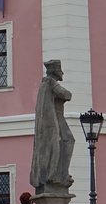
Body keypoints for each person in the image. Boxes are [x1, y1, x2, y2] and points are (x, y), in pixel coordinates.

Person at [30, 60, 75, 194]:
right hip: (55, 119)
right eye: (60, 70)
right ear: (55, 71)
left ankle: (60, 174)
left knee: (65, 142)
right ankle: (57, 174)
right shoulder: (50, 83)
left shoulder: (47, 84)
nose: (62, 73)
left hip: (57, 118)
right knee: (66, 141)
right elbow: (66, 94)